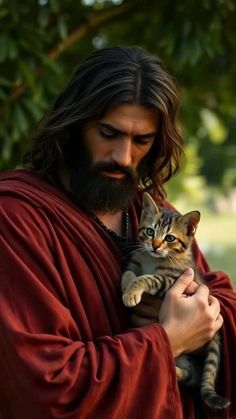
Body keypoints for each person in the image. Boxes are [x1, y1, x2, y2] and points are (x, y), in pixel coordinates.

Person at [0, 46, 235, 419]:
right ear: (74, 124)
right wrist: (169, 340)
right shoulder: (15, 217)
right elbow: (44, 383)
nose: (123, 157)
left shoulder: (153, 212)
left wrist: (205, 311)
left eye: (141, 141)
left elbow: (214, 295)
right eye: (108, 133)